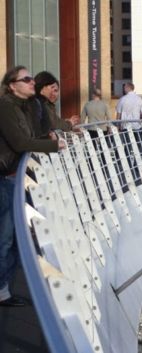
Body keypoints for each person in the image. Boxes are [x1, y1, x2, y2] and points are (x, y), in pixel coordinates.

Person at [0, 66, 65, 307]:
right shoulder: (6, 107)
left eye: (31, 79)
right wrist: (54, 146)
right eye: (26, 79)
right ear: (12, 85)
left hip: (17, 177)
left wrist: (48, 138)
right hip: (7, 175)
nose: (31, 82)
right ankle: (1, 289)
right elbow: (19, 142)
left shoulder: (26, 106)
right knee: (7, 236)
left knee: (17, 236)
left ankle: (3, 288)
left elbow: (33, 135)